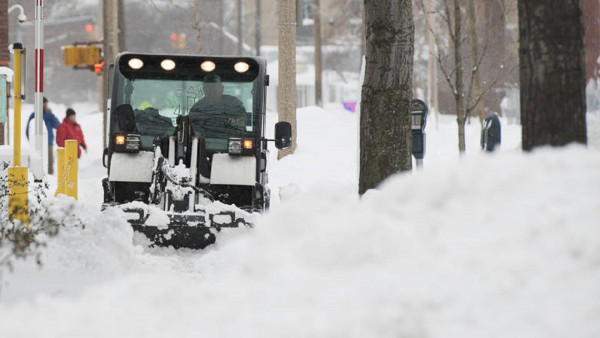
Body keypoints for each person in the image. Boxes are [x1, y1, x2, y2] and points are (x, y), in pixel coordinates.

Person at [25, 97, 60, 174]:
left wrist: (52, 114)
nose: (46, 106)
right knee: (38, 161)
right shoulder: (34, 115)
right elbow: (28, 129)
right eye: (44, 104)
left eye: (46, 104)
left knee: (49, 162)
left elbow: (57, 125)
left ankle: (50, 178)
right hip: (37, 142)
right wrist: (32, 141)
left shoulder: (49, 115)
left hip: (48, 142)